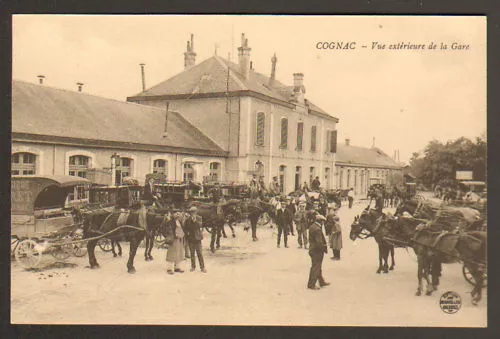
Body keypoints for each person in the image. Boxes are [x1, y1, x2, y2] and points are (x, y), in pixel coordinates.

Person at [307, 214, 330, 290]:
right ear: (320, 221)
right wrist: (325, 245)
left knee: (317, 266)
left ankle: (321, 281)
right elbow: (319, 242)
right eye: (323, 221)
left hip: (312, 249)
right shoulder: (317, 229)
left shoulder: (312, 226)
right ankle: (311, 284)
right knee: (316, 267)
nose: (323, 223)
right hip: (317, 251)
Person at [184, 207, 207, 273]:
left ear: (196, 212)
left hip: (198, 238)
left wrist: (194, 221)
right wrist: (187, 234)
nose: (193, 213)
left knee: (200, 253)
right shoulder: (188, 219)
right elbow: (186, 227)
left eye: (194, 212)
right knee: (192, 254)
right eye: (191, 212)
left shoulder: (199, 218)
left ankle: (202, 267)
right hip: (191, 238)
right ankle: (193, 267)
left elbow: (199, 225)